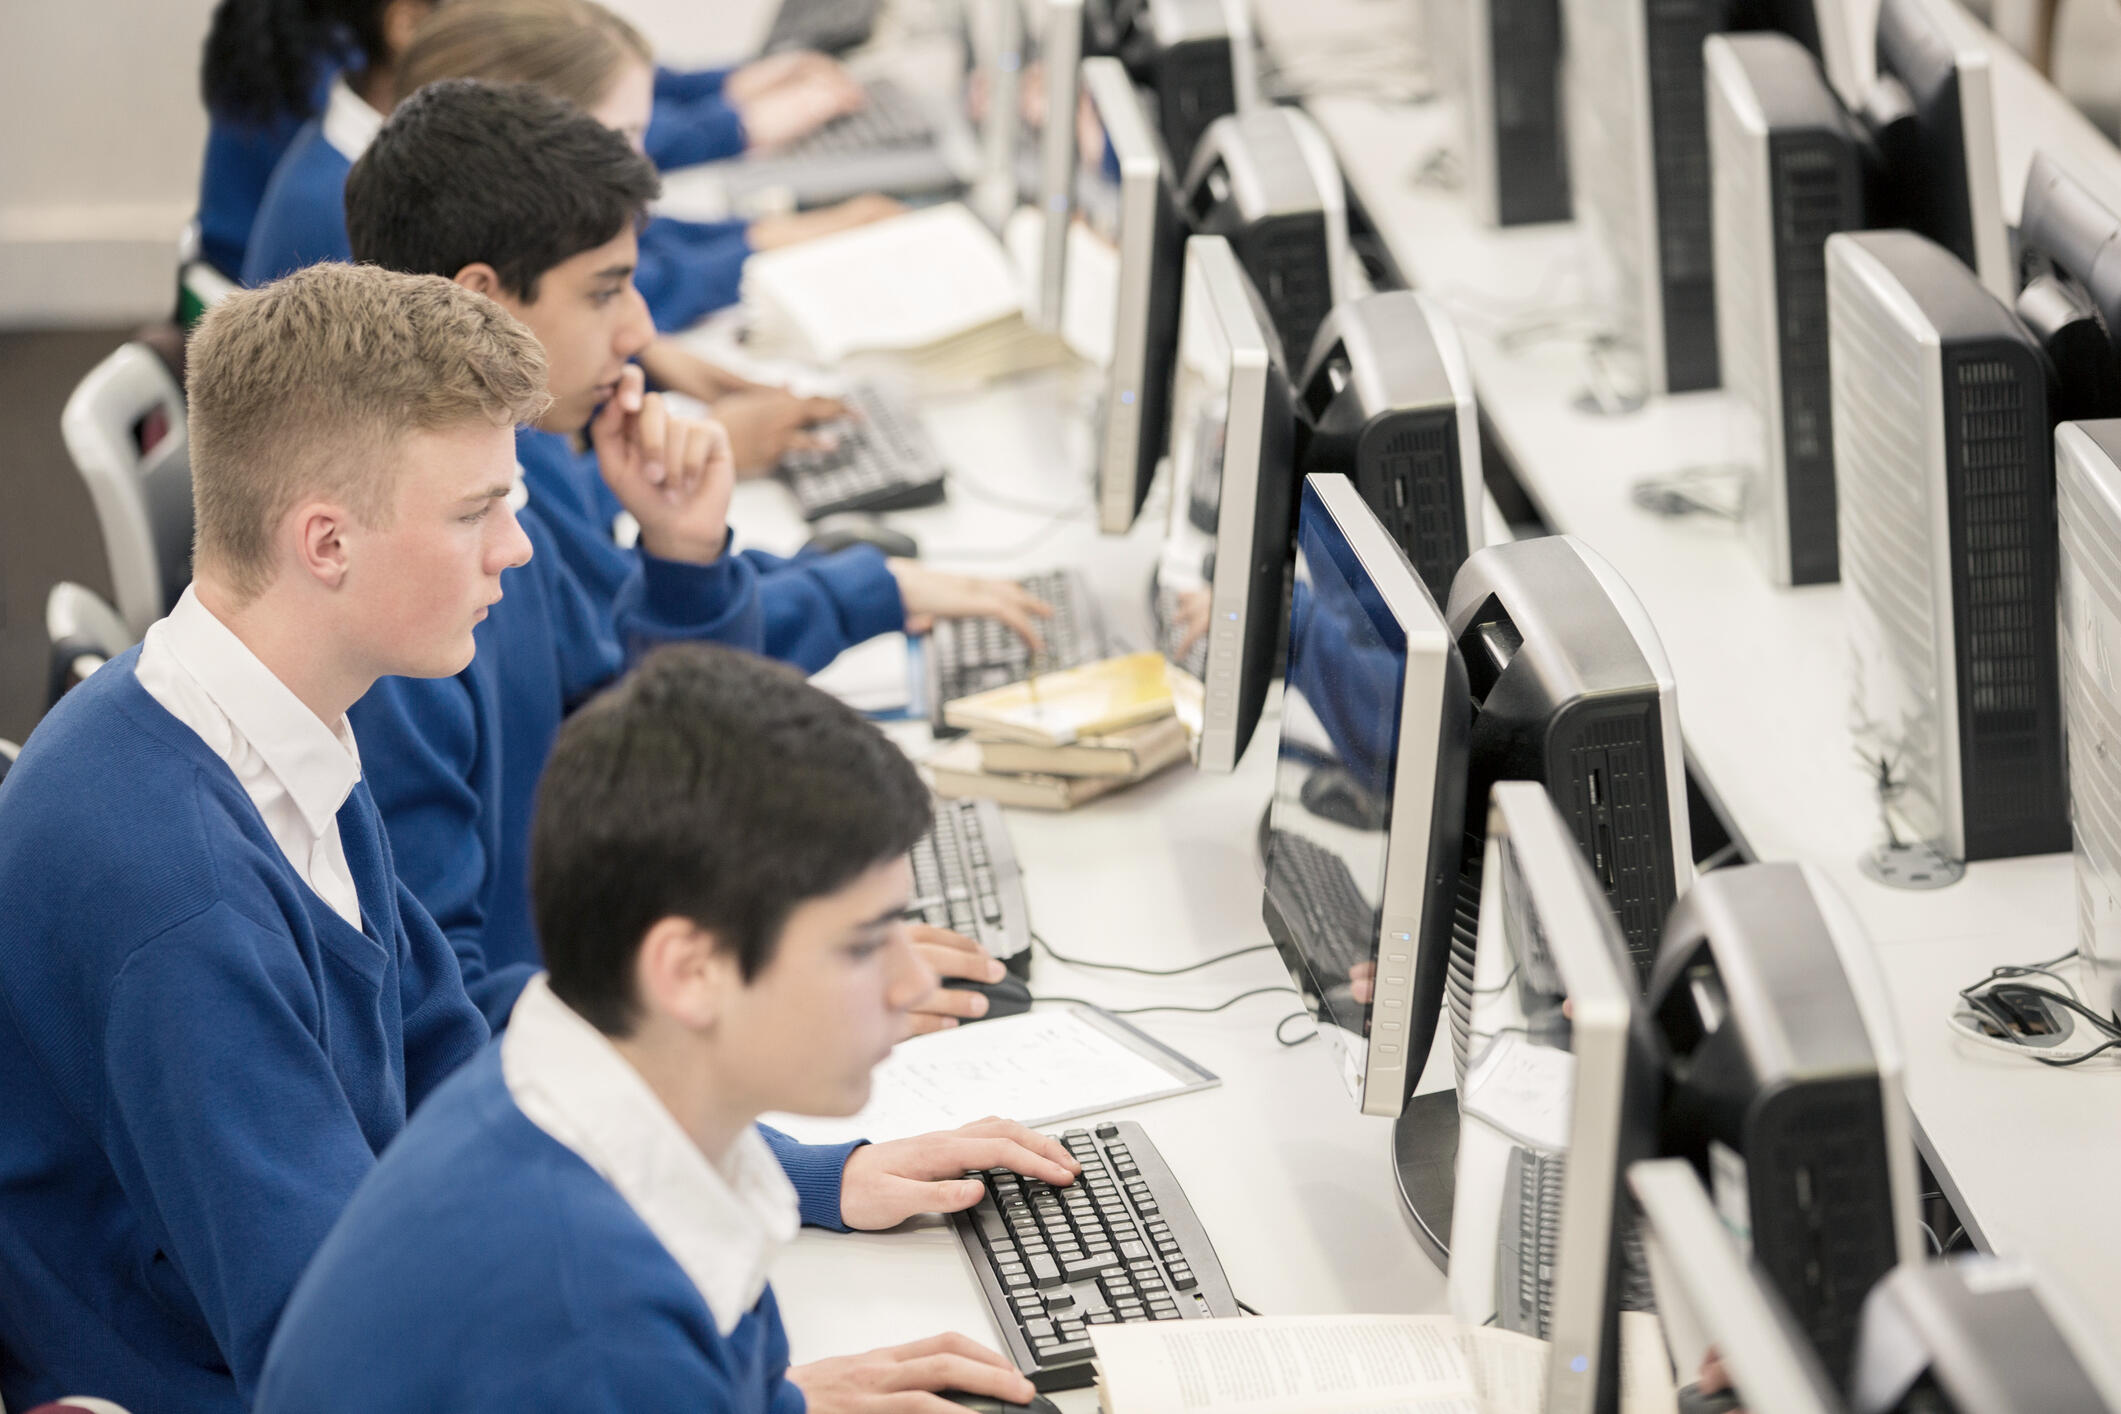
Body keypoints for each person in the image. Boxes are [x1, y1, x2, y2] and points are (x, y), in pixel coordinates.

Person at [342, 79, 1037, 1029]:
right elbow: (448, 1025)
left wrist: (682, 554)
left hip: (597, 998)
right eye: (606, 291)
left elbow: (633, 754)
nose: (639, 333)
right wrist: (753, 1012)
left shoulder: (507, 499)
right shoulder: (409, 610)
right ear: (482, 304)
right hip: (564, 1058)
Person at [258, 644, 1071, 1413]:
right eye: (863, 944)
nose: (914, 982)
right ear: (689, 972)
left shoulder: (575, 1098)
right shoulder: (594, 1315)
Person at [0, 263, 540, 1412]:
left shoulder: (276, 721)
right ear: (326, 543)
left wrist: (774, 1175)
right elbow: (340, 1360)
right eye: (474, 512)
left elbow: (448, 1066)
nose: (515, 548)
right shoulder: (179, 893)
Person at [240, 0, 900, 334]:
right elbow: (585, 290)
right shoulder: (356, 210)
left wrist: (761, 235)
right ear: (411, 23)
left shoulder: (393, 155)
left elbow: (599, 254)